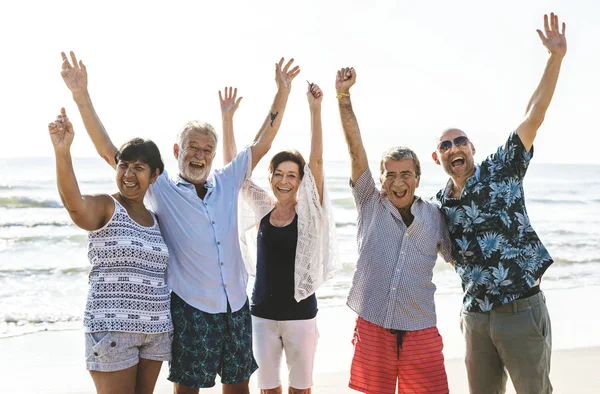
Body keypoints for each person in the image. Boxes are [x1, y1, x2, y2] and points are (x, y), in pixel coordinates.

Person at [60, 51, 300, 394]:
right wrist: (81, 96)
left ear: (214, 154)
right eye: (192, 147)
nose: (199, 154)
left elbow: (264, 140)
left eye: (206, 149)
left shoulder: (228, 181)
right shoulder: (162, 188)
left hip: (236, 304)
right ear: (177, 151)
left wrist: (283, 91)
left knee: (239, 386)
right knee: (187, 390)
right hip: (190, 307)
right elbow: (110, 152)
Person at [431, 13, 566, 394]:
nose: (454, 147)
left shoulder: (502, 168)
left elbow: (533, 115)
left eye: (460, 141)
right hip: (474, 318)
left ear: (472, 148)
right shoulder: (439, 204)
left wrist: (554, 59)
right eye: (445, 145)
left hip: (520, 311)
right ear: (437, 157)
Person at [336, 67, 453, 394]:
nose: (398, 182)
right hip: (373, 323)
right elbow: (354, 149)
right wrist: (343, 97)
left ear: (418, 178)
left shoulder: (435, 215)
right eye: (390, 174)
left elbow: (460, 259)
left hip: (420, 326)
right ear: (381, 178)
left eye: (406, 174)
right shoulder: (369, 202)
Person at [219, 83, 339, 394]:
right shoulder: (262, 208)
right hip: (261, 316)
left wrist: (315, 109)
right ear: (270, 176)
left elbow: (317, 162)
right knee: (268, 389)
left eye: (292, 175)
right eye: (279, 174)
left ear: (301, 181)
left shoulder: (310, 214)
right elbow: (235, 173)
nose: (285, 181)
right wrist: (227, 119)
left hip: (300, 316)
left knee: (301, 389)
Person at [48, 108, 172, 394]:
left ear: (154, 175)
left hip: (155, 331)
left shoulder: (155, 218)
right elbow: (74, 204)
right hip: (112, 329)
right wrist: (63, 152)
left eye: (138, 168)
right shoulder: (106, 206)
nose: (128, 174)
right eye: (123, 166)